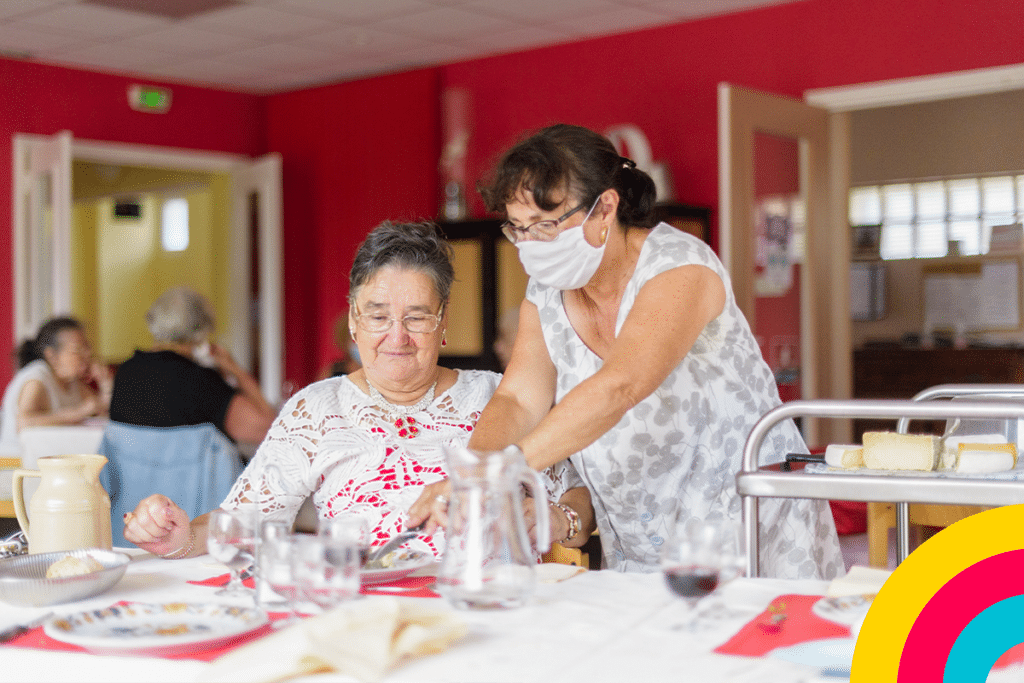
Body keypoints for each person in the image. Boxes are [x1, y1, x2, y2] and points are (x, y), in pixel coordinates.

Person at [409, 124, 843, 579]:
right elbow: (518, 399)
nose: (530, 245)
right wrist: (473, 478)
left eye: (546, 225)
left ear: (605, 208)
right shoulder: (546, 293)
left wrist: (504, 468)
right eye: (518, 228)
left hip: (742, 513)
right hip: (641, 530)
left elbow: (621, 385)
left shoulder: (680, 266)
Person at [123, 221, 594, 561]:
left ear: (443, 322)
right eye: (377, 316)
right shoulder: (315, 409)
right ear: (352, 320)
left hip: (488, 609)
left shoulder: (502, 399)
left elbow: (579, 499)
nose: (397, 336)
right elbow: (240, 521)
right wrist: (178, 537)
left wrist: (561, 521)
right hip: (363, 615)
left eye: (416, 316)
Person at [108, 287, 276, 445]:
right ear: (201, 331)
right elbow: (268, 428)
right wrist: (234, 369)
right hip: (195, 477)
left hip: (135, 477)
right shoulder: (202, 382)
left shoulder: (125, 373)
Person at [0, 317, 112, 456]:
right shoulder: (37, 379)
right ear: (52, 355)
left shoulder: (73, 382)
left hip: (48, 459)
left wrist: (105, 382)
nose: (87, 354)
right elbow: (23, 423)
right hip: (16, 463)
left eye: (87, 347)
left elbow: (101, 411)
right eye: (78, 349)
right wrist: (78, 413)